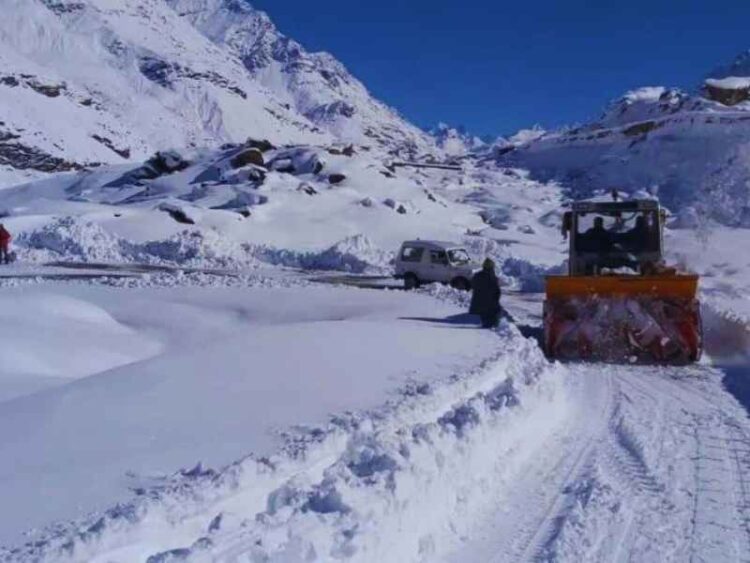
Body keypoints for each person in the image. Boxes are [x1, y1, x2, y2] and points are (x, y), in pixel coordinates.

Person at [470, 258, 501, 328]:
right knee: (494, 318)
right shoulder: (492, 277)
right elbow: (497, 292)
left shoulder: (477, 276)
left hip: (479, 303)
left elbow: (473, 285)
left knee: (485, 319)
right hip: (490, 305)